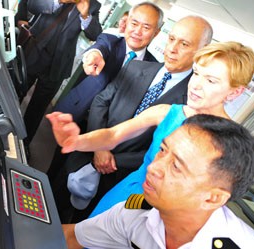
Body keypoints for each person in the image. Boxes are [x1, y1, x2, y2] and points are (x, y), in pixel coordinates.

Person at [47, 41, 254, 219]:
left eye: (211, 80)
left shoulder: (231, 143)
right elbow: (113, 135)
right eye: (196, 73)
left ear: (235, 92)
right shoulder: (167, 112)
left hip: (166, 215)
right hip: (127, 193)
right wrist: (76, 140)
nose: (196, 85)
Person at [49, 15, 213, 223]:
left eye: (184, 44)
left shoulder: (191, 104)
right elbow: (101, 101)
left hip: (120, 180)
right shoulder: (137, 67)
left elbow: (163, 150)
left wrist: (113, 160)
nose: (172, 49)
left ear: (202, 51)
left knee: (83, 230)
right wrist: (100, 148)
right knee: (47, 208)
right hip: (83, 160)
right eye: (171, 39)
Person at [62, 114, 254, 249]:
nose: (153, 168)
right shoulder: (136, 214)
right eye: (162, 151)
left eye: (177, 166)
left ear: (213, 198)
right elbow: (71, 237)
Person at [54, 2, 163, 123]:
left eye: (146, 27)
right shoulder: (110, 41)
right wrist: (93, 55)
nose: (137, 31)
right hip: (79, 113)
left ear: (156, 32)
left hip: (110, 128)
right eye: (134, 23)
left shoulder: (154, 68)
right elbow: (100, 47)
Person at [22, 0, 102, 147]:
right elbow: (32, 5)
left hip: (58, 64)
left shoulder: (93, 5)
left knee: (38, 108)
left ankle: (23, 143)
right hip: (35, 51)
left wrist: (85, 16)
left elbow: (95, 34)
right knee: (16, 93)